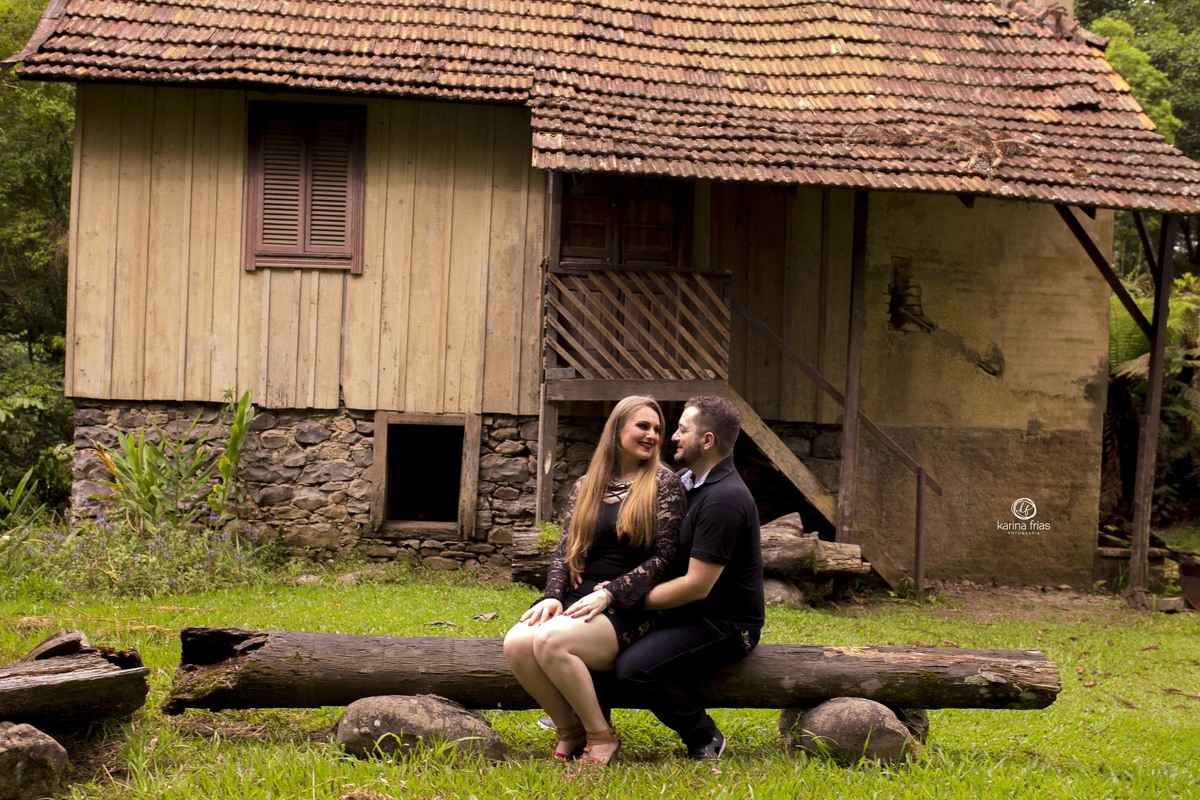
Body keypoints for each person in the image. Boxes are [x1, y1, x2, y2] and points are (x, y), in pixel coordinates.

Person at [504, 395, 686, 766]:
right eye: (643, 426)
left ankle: (601, 736)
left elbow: (666, 559)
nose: (652, 435)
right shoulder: (586, 484)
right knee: (518, 643)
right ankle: (568, 731)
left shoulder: (664, 484)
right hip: (580, 598)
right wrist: (552, 595)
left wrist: (612, 594)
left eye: (657, 429)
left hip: (631, 605)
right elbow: (565, 549)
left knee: (552, 641)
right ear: (618, 429)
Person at [613, 395, 764, 760]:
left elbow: (698, 584)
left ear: (707, 441)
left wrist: (628, 600)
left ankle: (704, 735)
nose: (673, 437)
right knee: (601, 634)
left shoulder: (724, 499)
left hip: (726, 623)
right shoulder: (686, 481)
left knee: (634, 668)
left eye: (682, 429)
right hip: (687, 611)